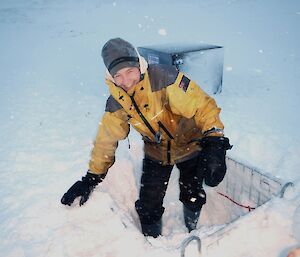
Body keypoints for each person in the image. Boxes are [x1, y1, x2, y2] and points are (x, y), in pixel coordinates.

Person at [61, 38, 232, 238]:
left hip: (190, 145)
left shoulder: (164, 78)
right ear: (111, 77)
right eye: (119, 76)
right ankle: (151, 245)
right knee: (148, 204)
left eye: (130, 71)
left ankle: (191, 228)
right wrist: (91, 177)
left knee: (192, 193)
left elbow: (203, 106)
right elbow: (105, 140)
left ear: (139, 66)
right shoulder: (117, 102)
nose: (127, 81)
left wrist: (214, 140)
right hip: (156, 151)